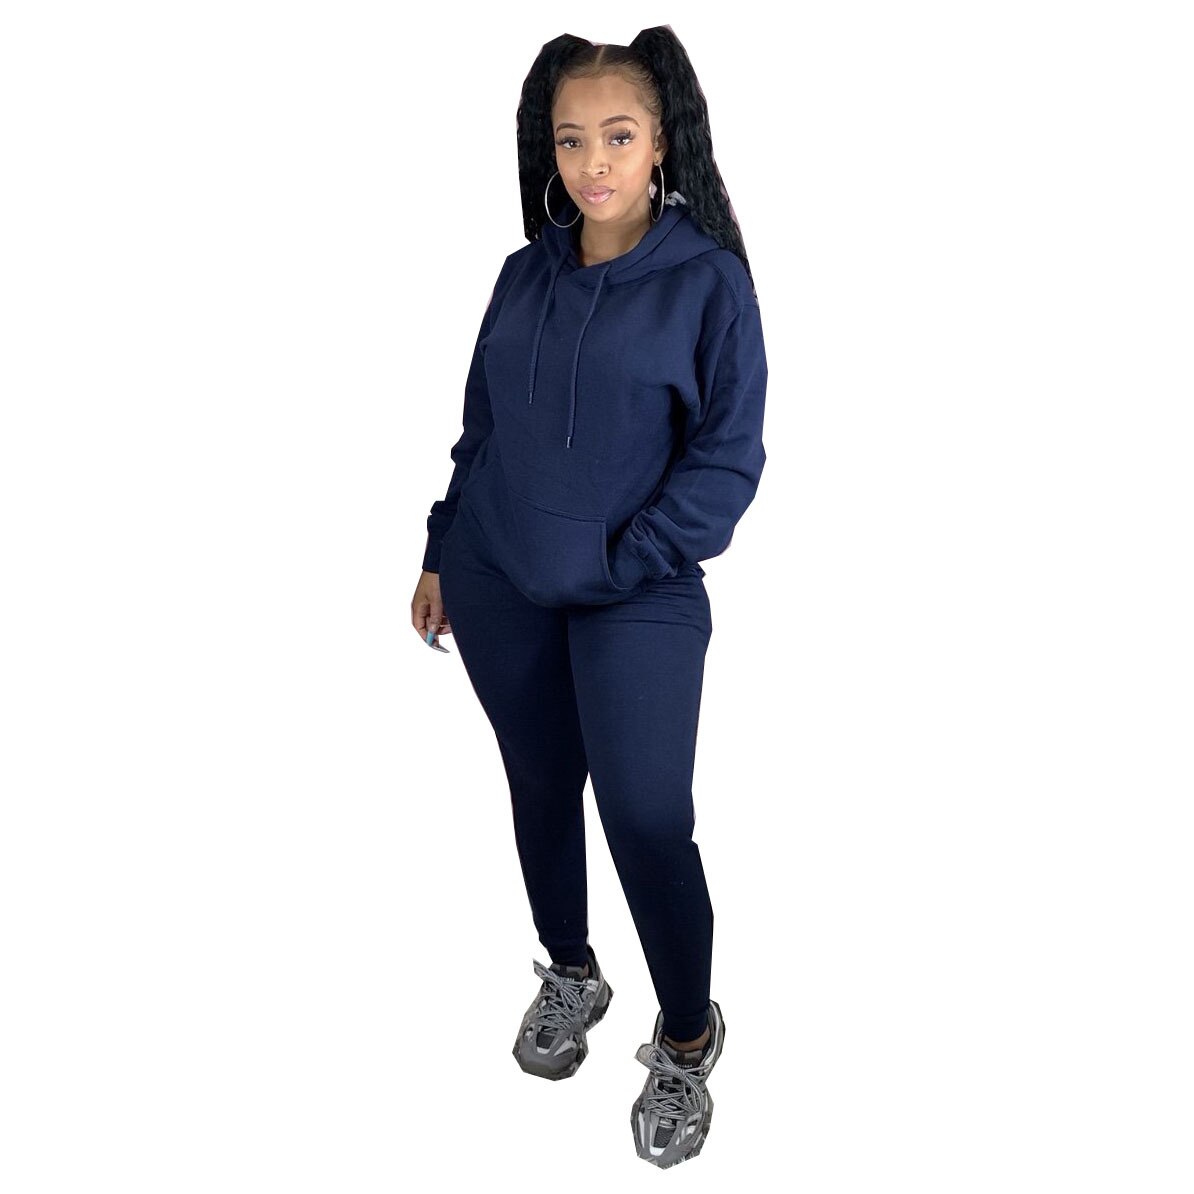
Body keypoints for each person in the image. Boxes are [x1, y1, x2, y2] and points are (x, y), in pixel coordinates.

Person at [410, 27, 767, 1169]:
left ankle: (687, 1035)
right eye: (571, 141)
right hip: (499, 578)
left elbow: (727, 462)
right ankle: (572, 969)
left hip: (634, 594)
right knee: (538, 782)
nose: (592, 163)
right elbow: (482, 430)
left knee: (647, 816)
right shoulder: (524, 274)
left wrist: (625, 561)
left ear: (662, 141)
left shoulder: (707, 282)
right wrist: (442, 549)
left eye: (617, 136)